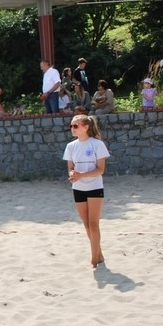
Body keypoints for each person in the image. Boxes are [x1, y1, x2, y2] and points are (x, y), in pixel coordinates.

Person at [63, 114, 110, 268]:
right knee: (86, 224)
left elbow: (100, 170)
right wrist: (72, 175)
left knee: (94, 223)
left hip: (95, 187)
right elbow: (70, 168)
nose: (72, 128)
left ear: (86, 127)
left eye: (75, 126)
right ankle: (99, 254)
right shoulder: (71, 146)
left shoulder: (97, 144)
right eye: (71, 126)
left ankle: (94, 259)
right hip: (78, 188)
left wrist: (81, 175)